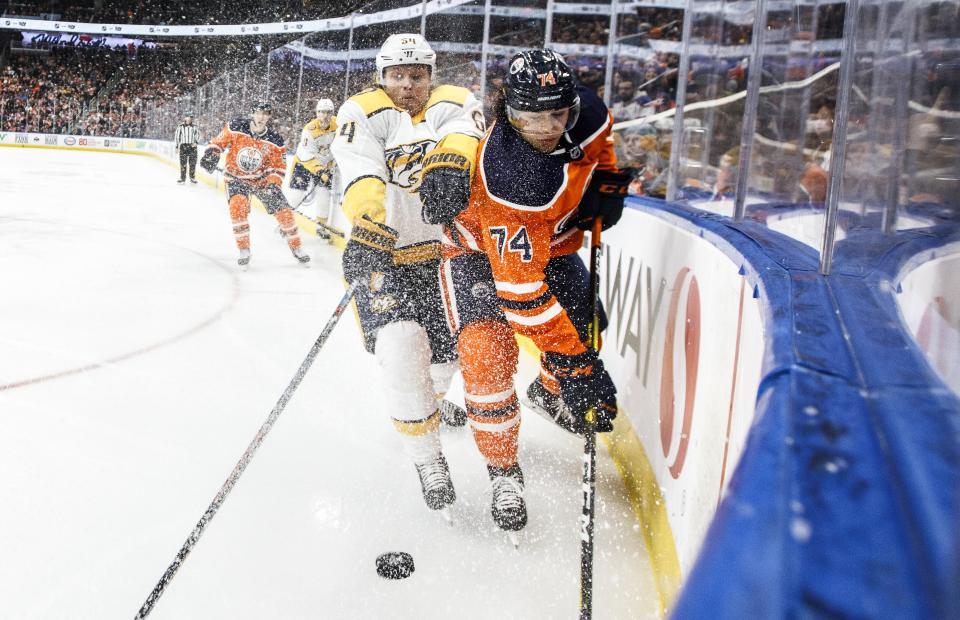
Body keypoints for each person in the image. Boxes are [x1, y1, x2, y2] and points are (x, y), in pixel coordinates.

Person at [426, 50, 630, 533]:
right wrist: (576, 366)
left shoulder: (592, 113)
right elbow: (522, 297)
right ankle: (502, 470)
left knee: (589, 327)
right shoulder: (509, 176)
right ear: (507, 110)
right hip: (478, 252)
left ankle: (547, 391)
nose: (543, 127)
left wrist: (606, 182)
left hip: (552, 245)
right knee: (486, 357)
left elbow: (602, 145)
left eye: (555, 115)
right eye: (527, 116)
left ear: (572, 107)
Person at [330, 34, 482, 515]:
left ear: (430, 75)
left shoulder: (457, 101)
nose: (408, 84)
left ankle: (431, 408)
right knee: (399, 350)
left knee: (445, 356)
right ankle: (426, 458)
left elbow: (465, 137)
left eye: (417, 75)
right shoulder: (361, 111)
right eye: (397, 75)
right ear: (382, 75)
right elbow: (360, 168)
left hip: (446, 254)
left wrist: (452, 161)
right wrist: (370, 222)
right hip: (388, 255)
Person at [199, 102, 310, 270]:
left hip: (261, 181)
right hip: (236, 178)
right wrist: (212, 153)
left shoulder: (275, 139)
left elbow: (278, 167)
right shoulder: (236, 126)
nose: (262, 117)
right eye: (259, 113)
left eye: (266, 114)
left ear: (269, 117)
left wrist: (273, 184)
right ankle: (244, 249)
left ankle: (296, 247)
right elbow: (218, 142)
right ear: (252, 114)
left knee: (284, 213)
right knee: (238, 206)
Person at [283, 98, 338, 240]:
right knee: (297, 195)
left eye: (327, 112)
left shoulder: (338, 125)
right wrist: (319, 170)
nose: (324, 116)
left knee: (324, 194)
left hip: (324, 167)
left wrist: (330, 165)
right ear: (316, 113)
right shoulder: (310, 129)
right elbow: (307, 154)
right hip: (304, 164)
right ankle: (285, 222)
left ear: (332, 113)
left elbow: (339, 147)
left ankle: (322, 226)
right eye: (321, 112)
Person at [174, 111, 200, 184]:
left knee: (192, 163)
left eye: (191, 117)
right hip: (183, 146)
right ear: (185, 118)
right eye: (188, 117)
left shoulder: (194, 127)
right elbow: (177, 136)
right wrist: (177, 146)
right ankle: (182, 178)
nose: (189, 119)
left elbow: (198, 135)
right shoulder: (180, 126)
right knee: (183, 163)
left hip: (192, 147)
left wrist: (196, 142)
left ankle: (192, 178)